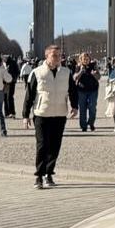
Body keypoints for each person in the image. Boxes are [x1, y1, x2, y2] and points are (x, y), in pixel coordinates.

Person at [29, 45, 73, 189]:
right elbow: (29, 95)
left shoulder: (66, 72)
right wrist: (25, 115)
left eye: (59, 55)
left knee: (55, 146)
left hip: (59, 113)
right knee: (42, 145)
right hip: (42, 113)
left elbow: (73, 90)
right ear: (46, 56)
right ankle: (39, 176)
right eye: (54, 55)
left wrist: (75, 106)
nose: (57, 58)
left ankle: (49, 173)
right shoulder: (37, 72)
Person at [73, 53, 100, 132]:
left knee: (92, 107)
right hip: (81, 90)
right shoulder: (78, 67)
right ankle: (83, 125)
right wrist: (81, 71)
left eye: (87, 59)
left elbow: (99, 77)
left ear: (89, 59)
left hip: (93, 90)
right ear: (80, 60)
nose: (86, 60)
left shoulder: (93, 66)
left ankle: (91, 123)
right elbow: (74, 78)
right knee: (82, 108)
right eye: (84, 59)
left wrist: (95, 74)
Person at [3, 55, 20, 120]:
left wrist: (14, 79)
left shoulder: (13, 62)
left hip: (11, 82)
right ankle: (6, 113)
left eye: (4, 59)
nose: (3, 60)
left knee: (9, 97)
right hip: (4, 83)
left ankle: (12, 113)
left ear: (6, 58)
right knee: (5, 97)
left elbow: (17, 71)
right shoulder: (2, 63)